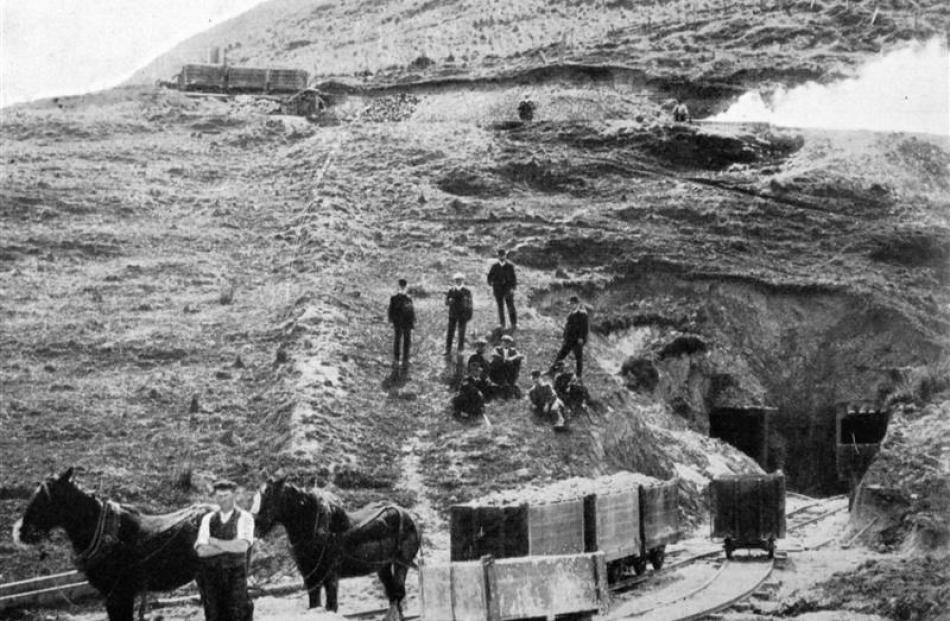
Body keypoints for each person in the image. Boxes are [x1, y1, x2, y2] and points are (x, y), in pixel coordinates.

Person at [195, 479, 255, 621]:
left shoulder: (245, 518)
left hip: (235, 578)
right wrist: (230, 546)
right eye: (219, 496)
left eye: (226, 496)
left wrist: (215, 542)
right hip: (212, 578)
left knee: (236, 615)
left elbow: (242, 547)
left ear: (234, 496)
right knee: (213, 615)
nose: (223, 500)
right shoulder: (208, 519)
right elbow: (201, 551)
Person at [551, 295, 589, 377]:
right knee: (561, 355)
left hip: (577, 341)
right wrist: (564, 337)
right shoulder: (570, 314)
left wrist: (581, 338)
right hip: (569, 340)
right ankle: (552, 371)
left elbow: (584, 328)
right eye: (571, 304)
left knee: (578, 359)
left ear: (577, 304)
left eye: (573, 304)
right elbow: (567, 327)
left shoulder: (583, 314)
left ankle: (579, 376)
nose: (571, 305)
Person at [387, 279, 415, 367]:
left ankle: (405, 359)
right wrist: (391, 319)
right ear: (399, 286)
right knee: (397, 340)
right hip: (398, 322)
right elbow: (390, 310)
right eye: (401, 286)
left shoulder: (408, 298)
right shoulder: (394, 298)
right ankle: (396, 359)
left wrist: (412, 321)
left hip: (407, 323)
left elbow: (412, 311)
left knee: (407, 341)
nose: (402, 288)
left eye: (404, 286)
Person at [487, 249, 517, 331]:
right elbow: (489, 277)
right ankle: (502, 324)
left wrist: (513, 288)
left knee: (510, 306)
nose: (502, 257)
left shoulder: (510, 266)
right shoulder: (495, 266)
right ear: (498, 256)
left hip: (507, 289)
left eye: (503, 255)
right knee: (500, 307)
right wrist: (490, 282)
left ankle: (514, 323)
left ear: (505, 256)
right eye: (500, 255)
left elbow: (514, 278)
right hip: (498, 289)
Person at [444, 273, 473, 355]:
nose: (458, 281)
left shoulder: (467, 291)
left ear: (462, 280)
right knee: (450, 332)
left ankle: (460, 349)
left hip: (463, 314)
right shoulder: (451, 290)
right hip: (453, 314)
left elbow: (470, 304)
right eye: (457, 280)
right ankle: (448, 349)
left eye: (460, 280)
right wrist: (449, 301)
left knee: (461, 332)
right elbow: (446, 302)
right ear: (454, 281)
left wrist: (469, 315)